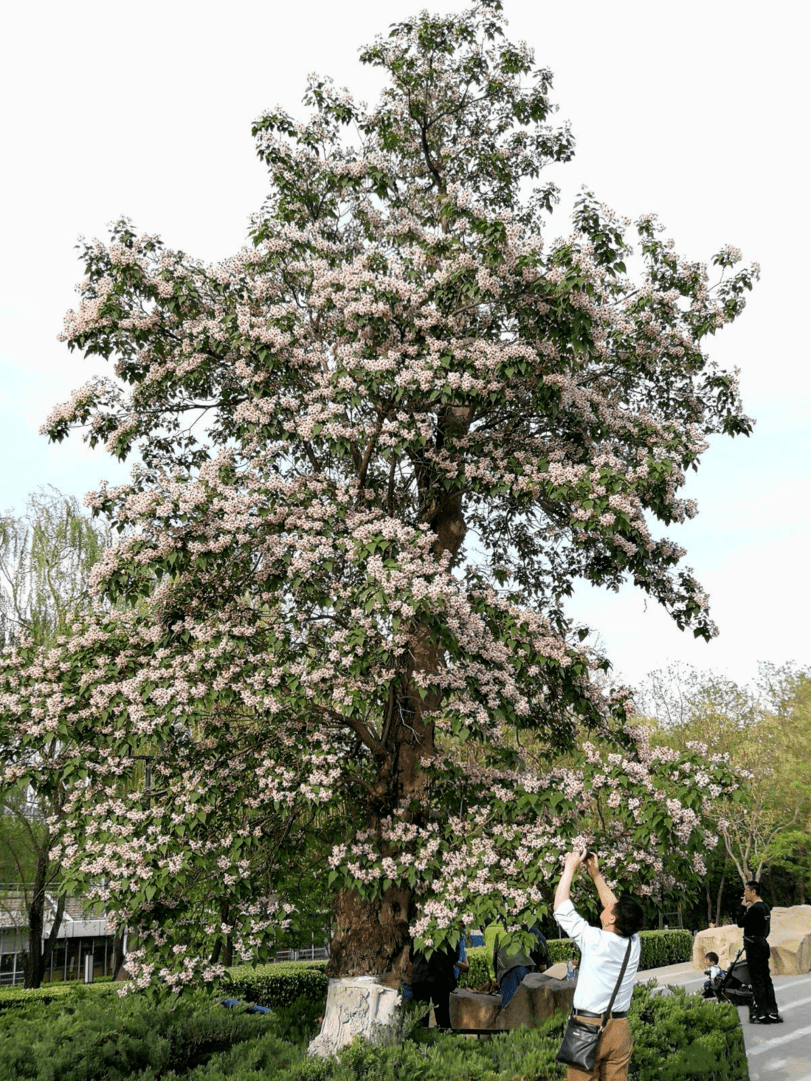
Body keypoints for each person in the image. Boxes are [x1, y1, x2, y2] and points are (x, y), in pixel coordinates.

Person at [554, 850, 644, 1081]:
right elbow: (613, 905)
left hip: (588, 1027)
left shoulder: (595, 940)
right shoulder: (633, 942)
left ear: (612, 918)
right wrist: (595, 875)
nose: (608, 905)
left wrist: (570, 868)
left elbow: (561, 908)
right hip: (619, 1028)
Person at [737, 879, 782, 1024]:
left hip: (753, 945)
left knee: (757, 980)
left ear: (753, 891)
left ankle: (761, 1013)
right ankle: (772, 1011)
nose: (744, 893)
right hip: (763, 942)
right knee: (766, 978)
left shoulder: (755, 909)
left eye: (746, 890)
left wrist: (743, 907)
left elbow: (740, 922)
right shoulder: (765, 907)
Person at [493, 924, 550, 1010]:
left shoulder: (500, 929)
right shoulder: (529, 928)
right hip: (522, 967)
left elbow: (493, 955)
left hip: (506, 969)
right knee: (529, 1004)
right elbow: (542, 946)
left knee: (508, 1007)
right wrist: (543, 963)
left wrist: (495, 977)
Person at [409, 939, 460, 1029]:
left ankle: (419, 1042)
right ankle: (445, 1041)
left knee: (420, 1019)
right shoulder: (448, 931)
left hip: (421, 976)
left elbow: (412, 956)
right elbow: (454, 957)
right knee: (443, 1018)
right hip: (441, 978)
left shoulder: (418, 929)